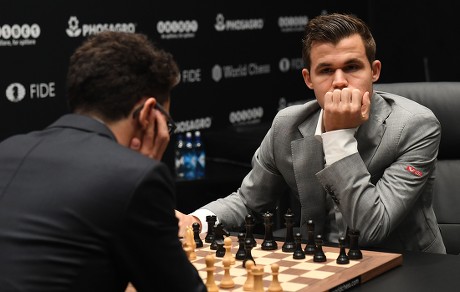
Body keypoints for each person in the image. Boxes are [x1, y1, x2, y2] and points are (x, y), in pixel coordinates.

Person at [176, 13, 446, 254]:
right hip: (317, 263)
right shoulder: (287, 126)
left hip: (407, 265)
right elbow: (249, 201)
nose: (339, 80)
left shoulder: (414, 126)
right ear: (308, 79)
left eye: (352, 67)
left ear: (374, 71)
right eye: (326, 70)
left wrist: (338, 136)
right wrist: (198, 221)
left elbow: (369, 230)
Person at [0, 31, 206, 292]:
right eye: (167, 122)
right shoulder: (134, 178)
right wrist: (141, 170)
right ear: (147, 114)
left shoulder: (7, 149)